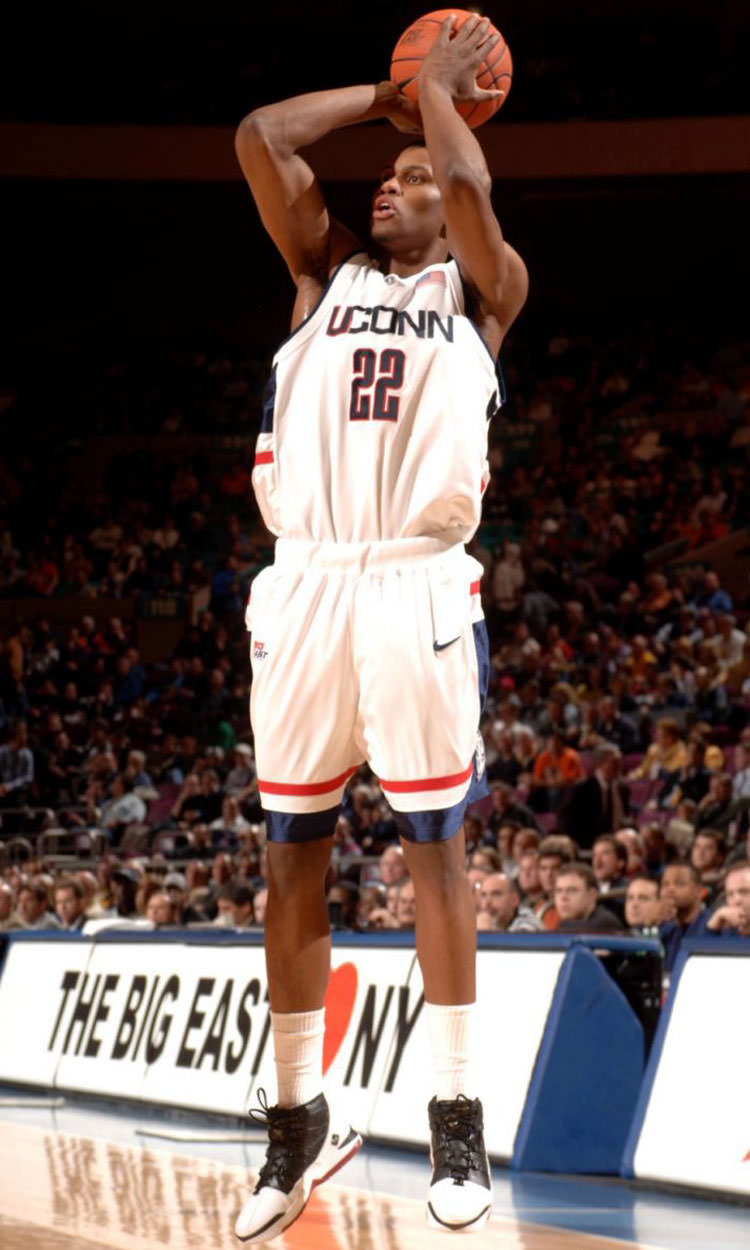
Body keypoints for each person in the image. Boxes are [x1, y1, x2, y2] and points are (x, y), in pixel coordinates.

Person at [233, 15, 528, 1241]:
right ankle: (297, 1120)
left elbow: (465, 179)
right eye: (385, 181)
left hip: (416, 577)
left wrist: (442, 108)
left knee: (432, 851)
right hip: (306, 580)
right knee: (289, 855)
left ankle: (455, 1113)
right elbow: (258, 138)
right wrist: (387, 92)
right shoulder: (323, 277)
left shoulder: (486, 290)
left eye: (408, 180)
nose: (393, 187)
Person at [554, 863, 624, 934]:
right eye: (559, 891)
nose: (563, 897)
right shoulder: (565, 924)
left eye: (572, 890)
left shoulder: (605, 924)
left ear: (592, 895)